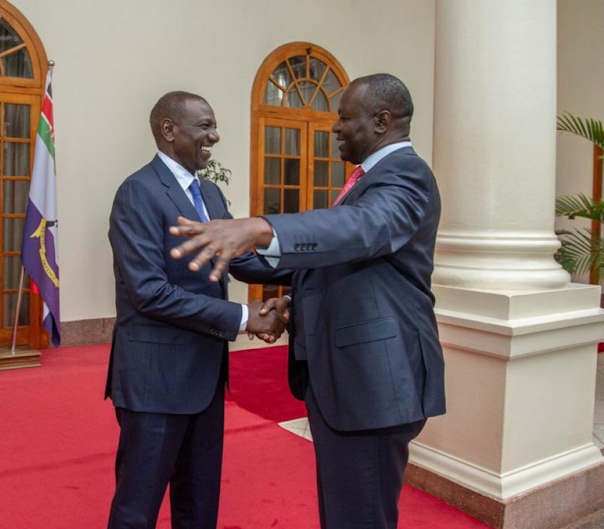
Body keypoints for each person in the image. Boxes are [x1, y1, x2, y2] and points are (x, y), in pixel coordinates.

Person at [169, 74, 446, 529]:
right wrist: (269, 280)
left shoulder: (407, 175)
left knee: (360, 518)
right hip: (352, 385)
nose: (335, 129)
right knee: (344, 513)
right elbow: (341, 261)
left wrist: (260, 228)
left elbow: (361, 228)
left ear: (381, 121)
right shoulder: (368, 179)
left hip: (375, 386)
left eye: (344, 119)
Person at [105, 91, 292, 529]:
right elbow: (149, 292)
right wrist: (245, 318)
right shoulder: (137, 192)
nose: (215, 135)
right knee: (137, 508)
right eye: (205, 126)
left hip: (204, 378)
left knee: (199, 504)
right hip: (155, 381)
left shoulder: (209, 191)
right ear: (169, 130)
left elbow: (241, 260)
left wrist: (314, 264)